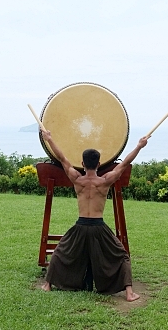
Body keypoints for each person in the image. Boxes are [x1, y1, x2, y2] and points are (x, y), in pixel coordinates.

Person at [40, 128, 148, 301]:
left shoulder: (77, 178)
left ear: (82, 163)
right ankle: (129, 293)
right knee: (122, 256)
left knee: (59, 252)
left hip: (80, 226)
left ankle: (47, 285)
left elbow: (62, 159)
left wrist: (49, 139)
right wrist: (139, 146)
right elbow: (124, 163)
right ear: (99, 164)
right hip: (98, 227)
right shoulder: (105, 181)